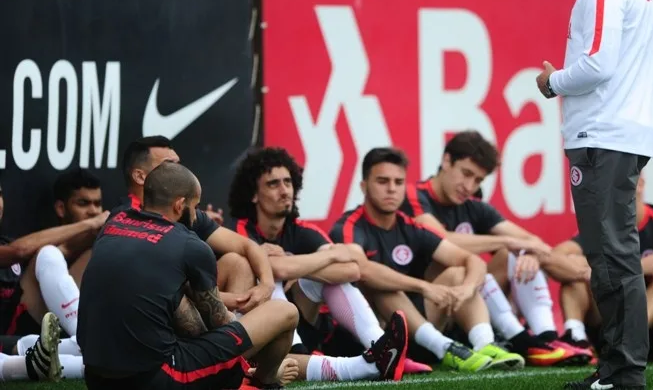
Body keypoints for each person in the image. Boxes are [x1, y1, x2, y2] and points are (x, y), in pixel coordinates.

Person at [531, 0, 653, 389]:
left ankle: (621, 373)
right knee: (616, 252)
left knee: (609, 255)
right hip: (621, 130)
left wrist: (550, 83)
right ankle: (620, 369)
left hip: (603, 132)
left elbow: (597, 65)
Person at [78, 162, 299, 389]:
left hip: (96, 377)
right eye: (196, 206)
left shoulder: (114, 223)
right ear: (180, 205)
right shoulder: (190, 245)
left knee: (188, 298)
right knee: (285, 312)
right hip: (155, 377)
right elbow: (218, 323)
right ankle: (264, 380)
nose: (196, 214)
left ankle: (242, 371)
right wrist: (254, 337)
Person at [402, 130, 593, 366]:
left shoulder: (472, 206)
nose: (469, 186)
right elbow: (441, 240)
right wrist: (511, 243)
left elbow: (533, 242)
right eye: (466, 174)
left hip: (467, 309)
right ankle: (522, 340)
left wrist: (530, 252)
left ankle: (546, 338)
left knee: (516, 254)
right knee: (467, 267)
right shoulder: (412, 196)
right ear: (446, 161)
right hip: (425, 311)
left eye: (478, 180)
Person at [227, 146, 417, 380]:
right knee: (267, 277)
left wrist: (296, 263)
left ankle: (381, 347)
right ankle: (297, 353)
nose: (285, 190)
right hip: (256, 337)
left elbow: (351, 269)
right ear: (254, 194)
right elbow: (274, 269)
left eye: (288, 182)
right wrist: (327, 257)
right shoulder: (239, 230)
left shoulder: (303, 230)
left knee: (334, 280)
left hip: (304, 323)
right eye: (273, 184)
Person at [330, 147, 525, 372]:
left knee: (459, 273)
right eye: (383, 181)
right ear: (364, 186)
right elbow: (362, 270)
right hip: (369, 338)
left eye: (398, 182)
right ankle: (445, 348)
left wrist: (467, 288)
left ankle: (484, 343)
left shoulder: (411, 226)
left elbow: (473, 261)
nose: (392, 189)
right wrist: (424, 287)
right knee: (381, 285)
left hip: (417, 330)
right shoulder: (349, 226)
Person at [114, 136, 274, 315]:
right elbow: (161, 288)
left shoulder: (186, 211)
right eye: (169, 164)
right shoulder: (123, 219)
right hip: (148, 312)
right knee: (286, 313)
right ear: (140, 176)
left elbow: (246, 245)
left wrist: (267, 285)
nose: (179, 171)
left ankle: (232, 336)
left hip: (191, 305)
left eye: (179, 164)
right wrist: (238, 299)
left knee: (237, 262)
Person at [555, 175, 653, 363]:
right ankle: (576, 340)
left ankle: (630, 338)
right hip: (609, 332)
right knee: (573, 271)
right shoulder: (601, 229)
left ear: (640, 184)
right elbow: (559, 255)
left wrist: (622, 268)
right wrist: (586, 269)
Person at [1, 169, 108, 367]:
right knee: (48, 253)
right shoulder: (16, 248)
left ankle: (87, 340)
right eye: (83, 203)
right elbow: (19, 251)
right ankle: (89, 342)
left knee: (83, 252)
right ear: (60, 208)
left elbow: (62, 251)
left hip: (44, 331)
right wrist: (91, 224)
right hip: (9, 336)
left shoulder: (9, 241)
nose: (94, 211)